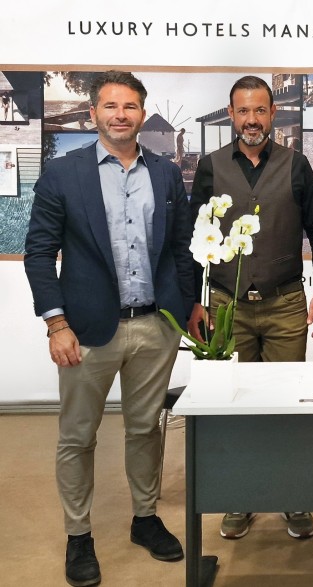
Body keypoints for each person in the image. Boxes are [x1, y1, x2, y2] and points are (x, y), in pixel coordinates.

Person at [24, 70, 195, 587]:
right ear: (94, 112)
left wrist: (186, 307)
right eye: (111, 106)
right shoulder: (63, 174)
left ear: (142, 113)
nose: (121, 115)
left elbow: (181, 248)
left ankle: (145, 519)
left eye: (130, 106)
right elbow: (39, 253)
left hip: (154, 327)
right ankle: (79, 535)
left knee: (145, 429)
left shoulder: (165, 174)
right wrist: (56, 323)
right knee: (78, 436)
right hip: (85, 330)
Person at [189, 75, 313, 542]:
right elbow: (194, 236)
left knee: (287, 405)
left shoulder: (297, 165)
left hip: (285, 304)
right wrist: (195, 301)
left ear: (273, 114)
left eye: (260, 110)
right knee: (236, 407)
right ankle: (241, 497)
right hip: (226, 306)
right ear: (231, 114)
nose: (252, 120)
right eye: (243, 111)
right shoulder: (210, 167)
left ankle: (292, 495)